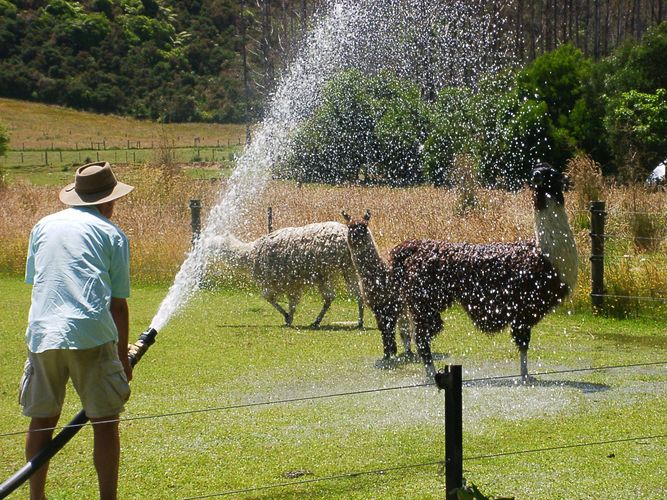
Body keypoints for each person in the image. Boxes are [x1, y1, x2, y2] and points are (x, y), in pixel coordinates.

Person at [19, 161, 134, 500]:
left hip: (42, 333)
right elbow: (118, 304)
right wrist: (122, 358)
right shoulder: (112, 233)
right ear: (107, 200)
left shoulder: (42, 225)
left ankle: (36, 497)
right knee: (105, 422)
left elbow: (38, 281)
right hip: (91, 334)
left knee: (41, 420)